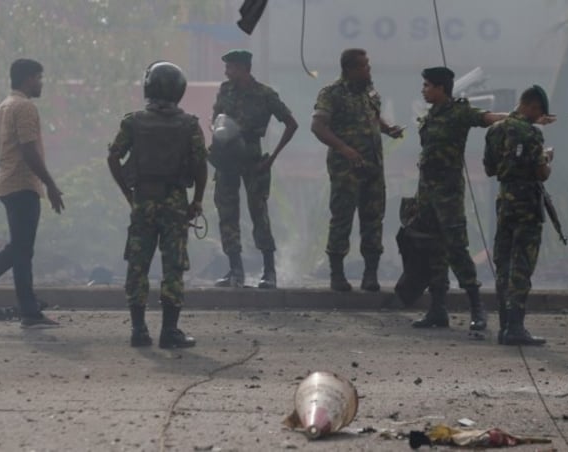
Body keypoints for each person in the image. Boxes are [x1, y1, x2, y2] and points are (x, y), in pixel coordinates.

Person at [409, 67, 550, 332]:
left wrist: (524, 119)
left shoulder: (459, 111)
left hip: (448, 192)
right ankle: (437, 308)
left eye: (427, 85)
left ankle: (476, 306)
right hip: (427, 192)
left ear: (441, 88)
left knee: (456, 248)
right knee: (431, 248)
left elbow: (488, 118)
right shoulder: (430, 116)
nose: (424, 90)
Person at [107, 61, 208, 348]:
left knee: (138, 264)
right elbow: (201, 164)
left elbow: (113, 157)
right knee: (173, 266)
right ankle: (169, 331)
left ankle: (139, 331)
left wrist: (128, 193)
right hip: (175, 203)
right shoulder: (190, 125)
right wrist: (197, 200)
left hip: (143, 200)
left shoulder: (133, 122)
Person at [0, 58, 63, 329]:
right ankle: (27, 311)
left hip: (8, 184)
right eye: (39, 77)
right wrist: (51, 185)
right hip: (21, 184)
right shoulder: (24, 107)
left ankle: (19, 306)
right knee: (21, 249)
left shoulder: (4, 105)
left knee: (19, 250)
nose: (41, 83)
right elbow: (28, 149)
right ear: (28, 79)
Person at [311, 48, 404, 292]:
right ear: (350, 69)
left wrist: (388, 129)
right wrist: (344, 148)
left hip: (373, 167)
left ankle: (370, 274)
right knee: (342, 218)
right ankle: (337, 275)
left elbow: (374, 119)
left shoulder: (370, 93)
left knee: (373, 219)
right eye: (364, 66)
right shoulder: (332, 94)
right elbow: (318, 126)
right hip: (346, 169)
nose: (368, 70)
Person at [211, 50, 298, 289]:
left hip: (252, 157)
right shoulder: (225, 90)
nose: (227, 72)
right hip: (227, 157)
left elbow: (291, 124)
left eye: (231, 67)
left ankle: (269, 271)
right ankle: (235, 269)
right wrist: (218, 133)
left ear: (243, 68)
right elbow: (215, 117)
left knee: (259, 213)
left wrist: (272, 159)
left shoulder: (265, 94)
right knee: (227, 212)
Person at [484, 85, 553, 346]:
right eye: (539, 113)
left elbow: (490, 169)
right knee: (522, 265)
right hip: (527, 204)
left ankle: (504, 326)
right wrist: (547, 159)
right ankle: (516, 327)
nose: (539, 119)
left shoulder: (495, 130)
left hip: (504, 202)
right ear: (533, 106)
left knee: (503, 263)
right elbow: (540, 173)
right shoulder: (531, 133)